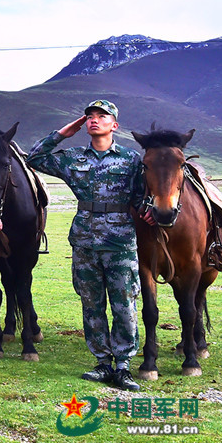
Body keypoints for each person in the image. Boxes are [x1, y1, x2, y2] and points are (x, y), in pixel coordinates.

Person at [27, 99, 147, 391]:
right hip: (85, 241)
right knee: (91, 305)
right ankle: (102, 363)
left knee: (124, 304)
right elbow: (34, 158)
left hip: (120, 242)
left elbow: (143, 195)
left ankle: (123, 365)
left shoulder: (132, 160)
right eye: (89, 116)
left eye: (102, 116)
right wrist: (62, 134)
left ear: (114, 125)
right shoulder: (73, 157)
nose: (94, 119)